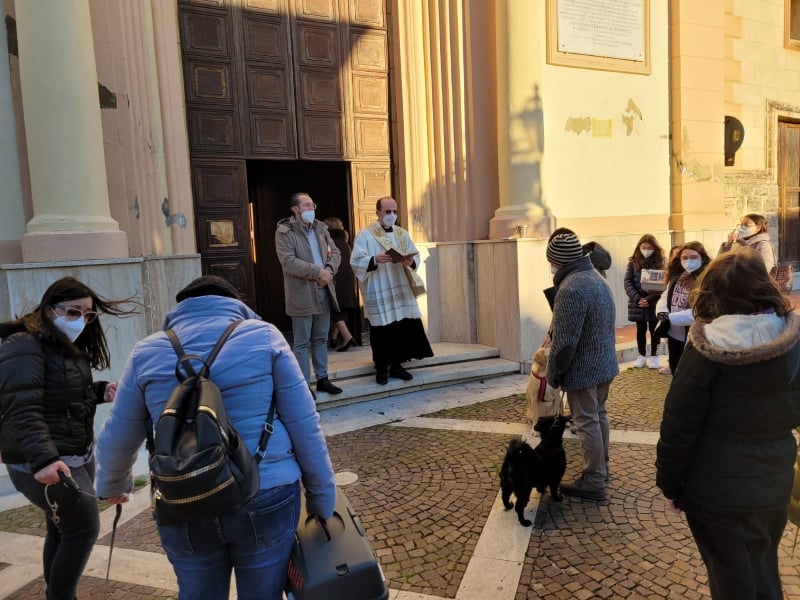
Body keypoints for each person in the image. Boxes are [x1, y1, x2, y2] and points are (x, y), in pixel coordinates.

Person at [95, 275, 337, 600]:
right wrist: (322, 496)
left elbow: (118, 435)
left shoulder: (146, 352)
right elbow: (305, 424)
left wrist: (111, 485)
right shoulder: (265, 338)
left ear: (180, 309)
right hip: (265, 490)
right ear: (235, 304)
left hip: (183, 496)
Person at [657, 249, 800, 600]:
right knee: (762, 566)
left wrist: (670, 485)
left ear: (712, 291)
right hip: (774, 480)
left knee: (731, 579)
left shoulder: (706, 347)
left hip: (715, 489)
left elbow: (679, 425)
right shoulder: (792, 343)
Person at [0, 276, 136, 600]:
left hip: (75, 455)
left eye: (88, 315)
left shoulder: (63, 347)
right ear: (50, 310)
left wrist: (100, 391)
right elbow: (23, 407)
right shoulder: (24, 345)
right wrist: (45, 460)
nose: (82, 321)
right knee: (82, 529)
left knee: (61, 529)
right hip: (44, 459)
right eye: (74, 312)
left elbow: (64, 395)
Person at [544, 230, 618, 501]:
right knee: (598, 416)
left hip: (584, 369)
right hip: (604, 364)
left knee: (587, 421)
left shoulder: (572, 287)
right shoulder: (595, 277)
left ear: (556, 261)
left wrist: (554, 376)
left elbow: (564, 344)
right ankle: (602, 468)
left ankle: (594, 480)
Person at [351, 196, 433, 384]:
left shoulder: (401, 233)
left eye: (394, 211)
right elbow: (355, 261)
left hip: (400, 286)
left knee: (400, 327)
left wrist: (411, 261)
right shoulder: (366, 235)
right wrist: (374, 259)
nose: (391, 215)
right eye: (387, 212)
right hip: (379, 287)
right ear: (378, 212)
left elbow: (415, 256)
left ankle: (397, 365)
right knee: (382, 330)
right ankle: (381, 368)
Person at [275, 192, 343, 395]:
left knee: (321, 338)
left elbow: (335, 253)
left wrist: (329, 271)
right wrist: (317, 272)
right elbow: (288, 262)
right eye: (306, 205)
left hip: (324, 289)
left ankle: (323, 379)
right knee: (302, 341)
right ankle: (303, 385)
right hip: (302, 293)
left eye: (312, 205)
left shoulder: (321, 229)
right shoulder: (285, 232)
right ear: (295, 209)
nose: (311, 209)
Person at [655, 241, 711, 374]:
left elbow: (700, 311)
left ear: (702, 258)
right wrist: (661, 312)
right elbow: (665, 297)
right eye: (684, 258)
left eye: (693, 257)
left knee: (690, 373)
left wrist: (671, 318)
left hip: (694, 336)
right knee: (675, 370)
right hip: (674, 334)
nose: (688, 261)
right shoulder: (677, 278)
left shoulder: (707, 280)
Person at [623, 234, 666, 369]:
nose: (646, 250)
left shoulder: (661, 262)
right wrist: (637, 299)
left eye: (649, 248)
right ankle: (641, 355)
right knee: (640, 330)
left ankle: (655, 356)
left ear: (655, 248)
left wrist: (649, 299)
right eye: (644, 247)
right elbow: (628, 282)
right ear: (639, 247)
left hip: (653, 302)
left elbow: (663, 284)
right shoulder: (632, 263)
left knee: (655, 330)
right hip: (638, 303)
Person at [324, 216, 360, 351]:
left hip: (336, 276)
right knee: (340, 307)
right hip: (348, 276)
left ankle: (347, 337)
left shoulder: (327, 241)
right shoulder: (345, 241)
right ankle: (334, 338)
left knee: (333, 307)